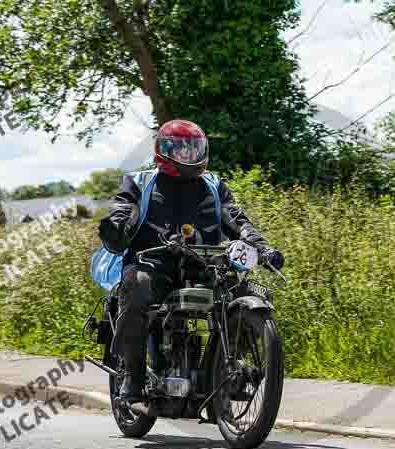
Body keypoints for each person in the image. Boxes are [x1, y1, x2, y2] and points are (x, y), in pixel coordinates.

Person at [98, 119, 284, 404]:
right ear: (164, 150)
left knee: (249, 293)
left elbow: (236, 220)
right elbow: (124, 212)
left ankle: (230, 366)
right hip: (153, 264)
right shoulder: (140, 182)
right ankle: (133, 377)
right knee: (136, 287)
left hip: (204, 266)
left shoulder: (213, 185)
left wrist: (263, 248)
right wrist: (115, 228)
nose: (189, 155)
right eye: (182, 149)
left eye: (194, 148)